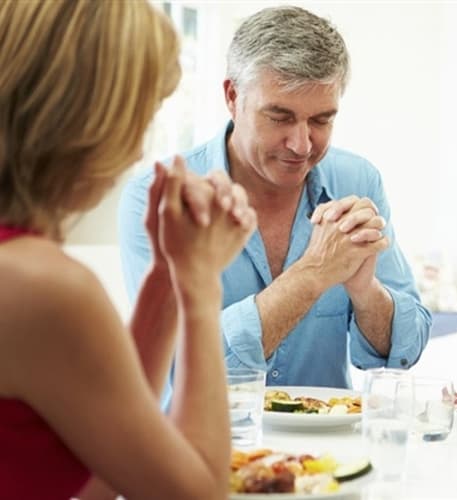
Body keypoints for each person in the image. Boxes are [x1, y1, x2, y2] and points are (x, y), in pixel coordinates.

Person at [0, 1, 256, 499]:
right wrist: (200, 284)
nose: (138, 149)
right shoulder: (41, 287)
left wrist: (166, 273)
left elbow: (100, 477)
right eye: (139, 116)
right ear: (85, 116)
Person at [119, 5, 430, 403]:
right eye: (279, 117)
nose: (301, 145)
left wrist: (366, 291)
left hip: (326, 459)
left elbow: (406, 347)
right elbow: (181, 366)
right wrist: (313, 274)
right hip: (204, 453)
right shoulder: (158, 197)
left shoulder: (358, 181)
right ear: (232, 97)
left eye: (321, 120)